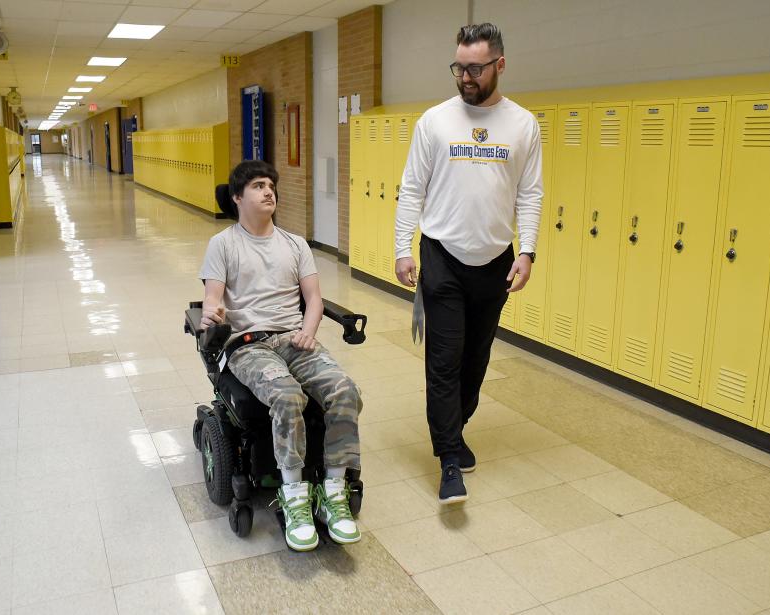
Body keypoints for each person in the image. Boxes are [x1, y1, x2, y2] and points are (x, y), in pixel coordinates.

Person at [394, 23, 543, 504]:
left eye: (475, 68)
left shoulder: (523, 125)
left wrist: (527, 250)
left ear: (500, 64)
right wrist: (402, 248)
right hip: (442, 256)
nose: (465, 77)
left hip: (495, 262)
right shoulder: (434, 121)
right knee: (444, 360)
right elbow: (412, 189)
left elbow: (530, 192)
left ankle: (454, 432)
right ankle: (448, 460)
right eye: (459, 67)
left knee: (475, 363)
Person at [198, 160, 363, 551]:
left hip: (295, 338)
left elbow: (315, 299)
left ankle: (334, 491)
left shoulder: (295, 244)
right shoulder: (223, 244)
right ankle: (294, 495)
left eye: (271, 185)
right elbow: (213, 298)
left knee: (345, 390)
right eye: (258, 186)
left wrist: (308, 331)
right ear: (238, 197)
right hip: (249, 344)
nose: (268, 191)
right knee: (288, 396)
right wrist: (213, 313)